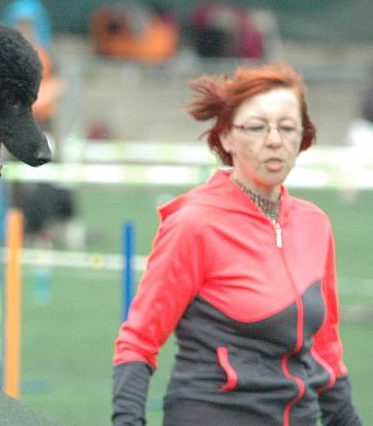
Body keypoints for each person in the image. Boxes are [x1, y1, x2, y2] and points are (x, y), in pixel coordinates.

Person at [112, 62, 360, 425]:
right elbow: (138, 342)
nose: (274, 140)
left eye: (287, 128)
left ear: (302, 139)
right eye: (257, 127)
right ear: (226, 137)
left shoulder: (315, 224)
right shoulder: (194, 223)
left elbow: (326, 352)